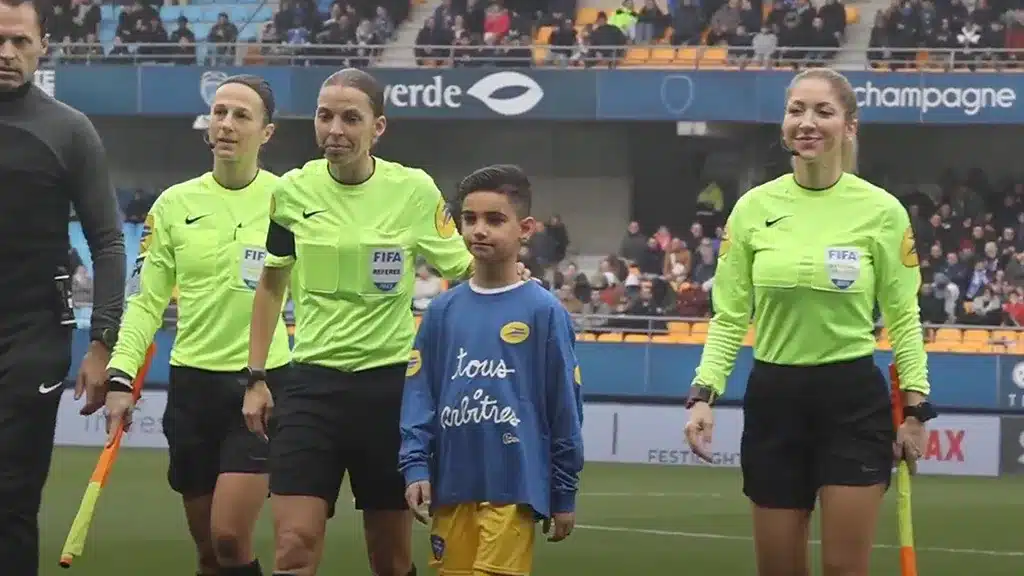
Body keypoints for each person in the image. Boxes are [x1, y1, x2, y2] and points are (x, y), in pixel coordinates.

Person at [683, 67, 935, 576]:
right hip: (775, 398)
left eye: (823, 111)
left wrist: (916, 408)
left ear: (850, 126)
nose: (807, 122)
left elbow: (904, 317)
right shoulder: (753, 209)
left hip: (852, 403)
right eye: (796, 110)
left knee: (845, 570)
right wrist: (703, 394)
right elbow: (730, 315)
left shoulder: (882, 212)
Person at [243, 68, 476, 576]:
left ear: (379, 128)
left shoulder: (414, 191)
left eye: (351, 118)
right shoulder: (291, 192)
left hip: (391, 391)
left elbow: (466, 273)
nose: (335, 130)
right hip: (309, 388)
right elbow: (271, 284)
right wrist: (257, 376)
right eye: (325, 116)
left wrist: (512, 276)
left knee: (390, 560)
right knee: (293, 547)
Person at [103, 75, 290, 576]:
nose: (226, 124)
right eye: (220, 112)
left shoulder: (289, 201)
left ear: (266, 133)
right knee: (210, 553)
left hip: (260, 387)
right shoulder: (172, 205)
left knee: (230, 537)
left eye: (241, 115)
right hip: (192, 388)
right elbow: (144, 302)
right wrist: (121, 376)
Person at [399, 164, 585, 576]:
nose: (479, 230)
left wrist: (564, 491)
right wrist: (414, 465)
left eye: (495, 219)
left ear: (526, 228)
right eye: (470, 219)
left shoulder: (543, 311)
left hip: (513, 488)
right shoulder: (442, 311)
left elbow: (564, 407)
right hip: (451, 487)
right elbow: (419, 396)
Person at [0, 0, 125, 573]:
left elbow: (109, 241)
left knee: (11, 499)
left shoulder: (69, 129)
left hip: (32, 337)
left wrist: (102, 343)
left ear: (42, 46)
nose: (7, 53)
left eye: (20, 41)